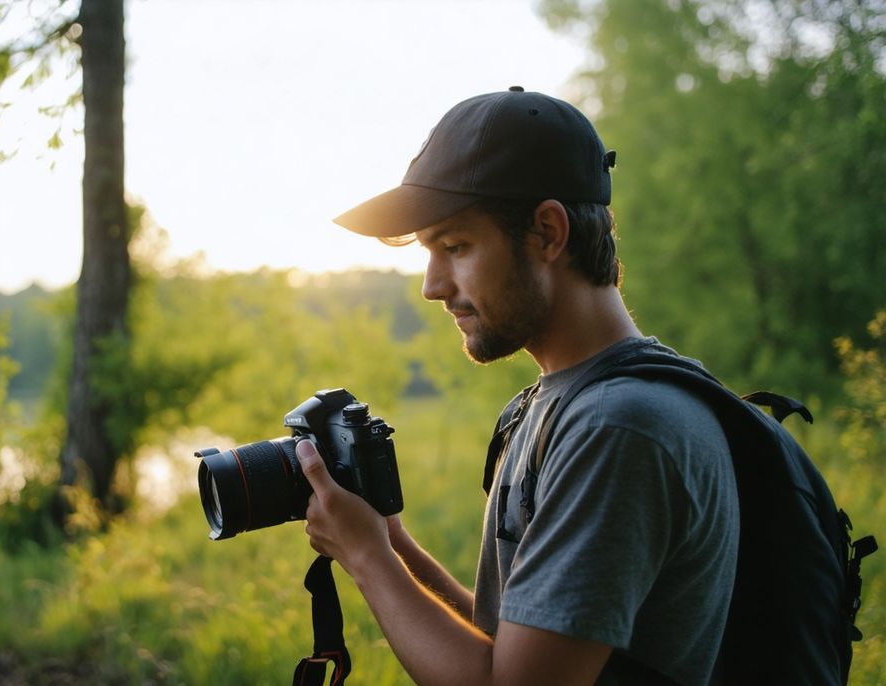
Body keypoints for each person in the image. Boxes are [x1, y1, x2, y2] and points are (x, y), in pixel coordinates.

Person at [296, 87, 739, 685]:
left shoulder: (618, 426)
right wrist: (392, 546)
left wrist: (367, 558)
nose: (431, 285)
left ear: (548, 233)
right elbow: (505, 651)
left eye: (455, 247)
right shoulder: (559, 402)